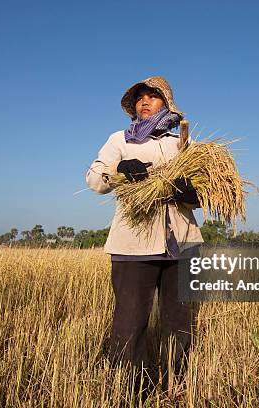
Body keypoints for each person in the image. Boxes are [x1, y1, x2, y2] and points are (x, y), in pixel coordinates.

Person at [85, 76, 204, 390]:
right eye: (140, 98)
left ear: (166, 103)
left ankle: (176, 384)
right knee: (130, 321)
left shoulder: (184, 143)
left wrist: (190, 193)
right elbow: (95, 179)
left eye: (153, 96)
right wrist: (120, 172)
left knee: (178, 321)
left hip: (183, 243)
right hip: (133, 243)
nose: (145, 102)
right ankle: (130, 389)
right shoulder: (121, 140)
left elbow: (205, 190)